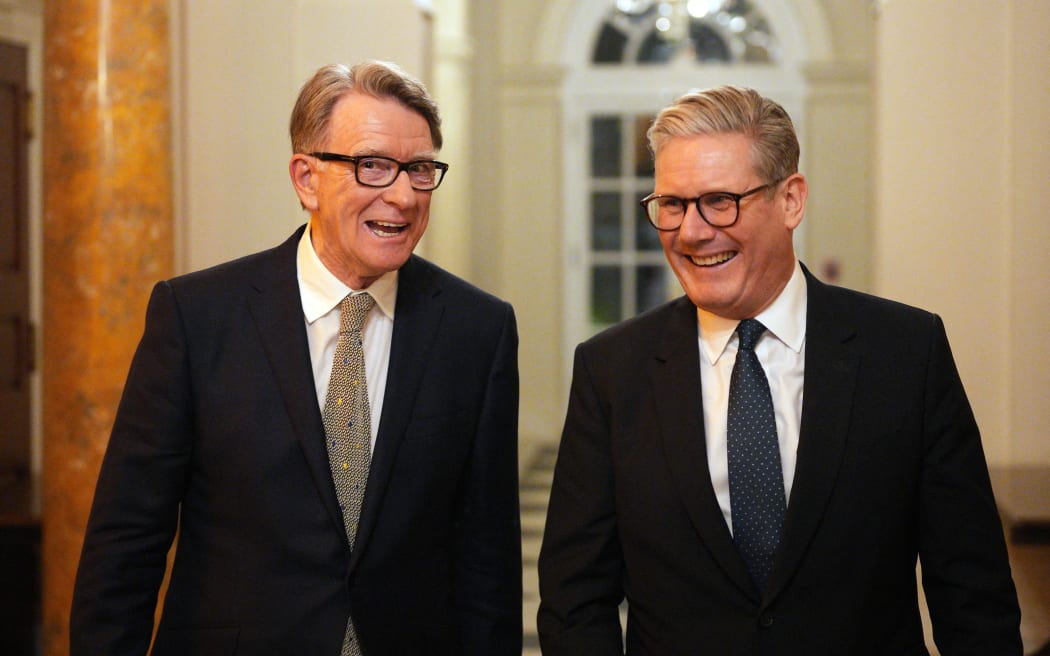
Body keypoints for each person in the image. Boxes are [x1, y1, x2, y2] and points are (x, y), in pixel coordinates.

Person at [537, 85, 1021, 655]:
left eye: (720, 200)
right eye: (672, 204)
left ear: (791, 200)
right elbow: (575, 599)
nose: (692, 231)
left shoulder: (906, 352)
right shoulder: (612, 370)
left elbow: (972, 591)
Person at [70, 61, 522, 655]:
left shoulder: (477, 330)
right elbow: (127, 539)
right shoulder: (197, 317)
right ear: (306, 178)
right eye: (374, 166)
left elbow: (486, 557)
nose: (404, 195)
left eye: (419, 170)